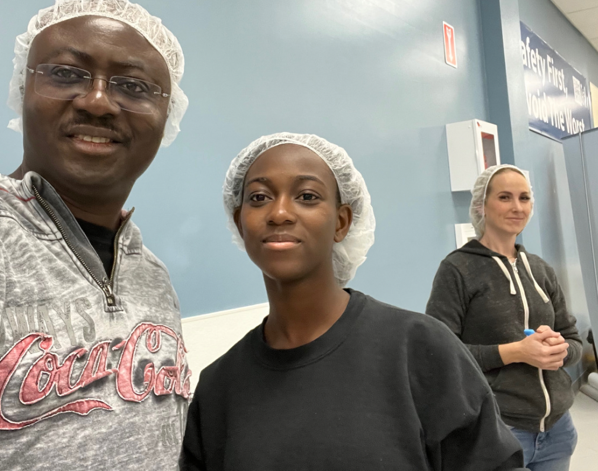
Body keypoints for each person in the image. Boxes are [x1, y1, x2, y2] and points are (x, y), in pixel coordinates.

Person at [180, 132, 525, 471]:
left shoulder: (419, 349)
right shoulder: (218, 389)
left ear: (342, 222)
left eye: (307, 196)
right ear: (240, 223)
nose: (279, 213)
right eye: (259, 197)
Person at [0, 0, 191, 470]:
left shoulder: (152, 275)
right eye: (66, 74)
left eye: (134, 86)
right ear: (22, 90)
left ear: (167, 118)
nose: (98, 101)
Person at [426, 165, 581, 471]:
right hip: (498, 428)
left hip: (557, 430)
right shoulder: (457, 269)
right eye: (505, 197)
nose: (517, 207)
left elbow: (573, 339)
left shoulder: (540, 269)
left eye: (524, 198)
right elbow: (439, 353)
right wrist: (516, 352)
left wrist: (559, 351)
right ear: (481, 205)